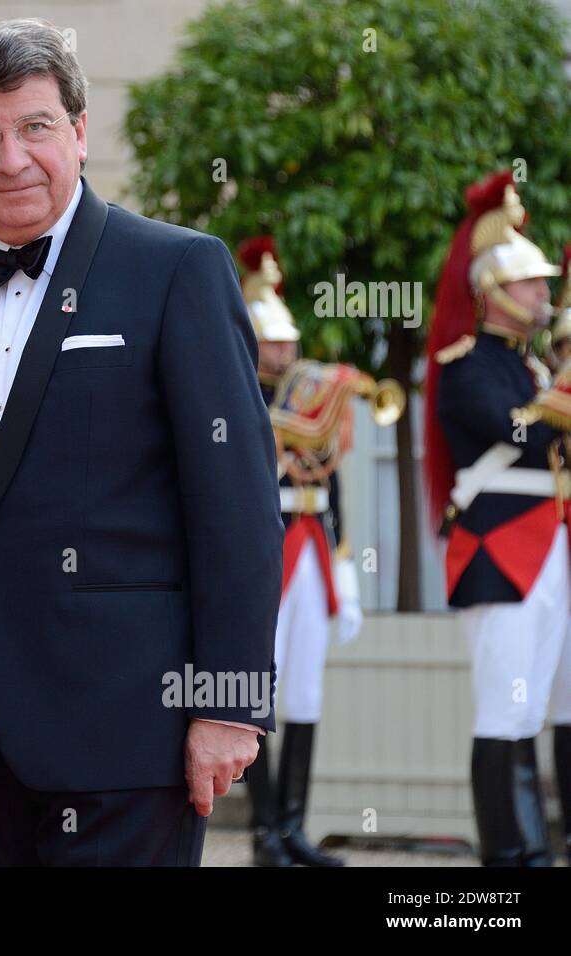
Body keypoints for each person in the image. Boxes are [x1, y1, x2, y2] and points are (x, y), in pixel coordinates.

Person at [0, 18, 282, 866]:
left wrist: (230, 704)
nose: (10, 158)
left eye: (35, 127)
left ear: (81, 133)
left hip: (130, 733)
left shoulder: (177, 268)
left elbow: (238, 505)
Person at [424, 170, 570, 867]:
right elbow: (525, 437)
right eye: (532, 283)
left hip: (551, 548)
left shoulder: (536, 369)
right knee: (506, 714)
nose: (545, 292)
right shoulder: (468, 366)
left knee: (553, 709)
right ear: (495, 291)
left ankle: (543, 851)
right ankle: (509, 864)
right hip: (503, 552)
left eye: (545, 283)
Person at [237, 237, 361, 867]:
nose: (286, 351)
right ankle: (263, 829)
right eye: (274, 342)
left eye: (288, 342)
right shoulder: (241, 398)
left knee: (305, 689)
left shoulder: (309, 396)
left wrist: (346, 562)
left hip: (312, 545)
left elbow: (331, 478)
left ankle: (293, 827)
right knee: (261, 689)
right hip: (270, 546)